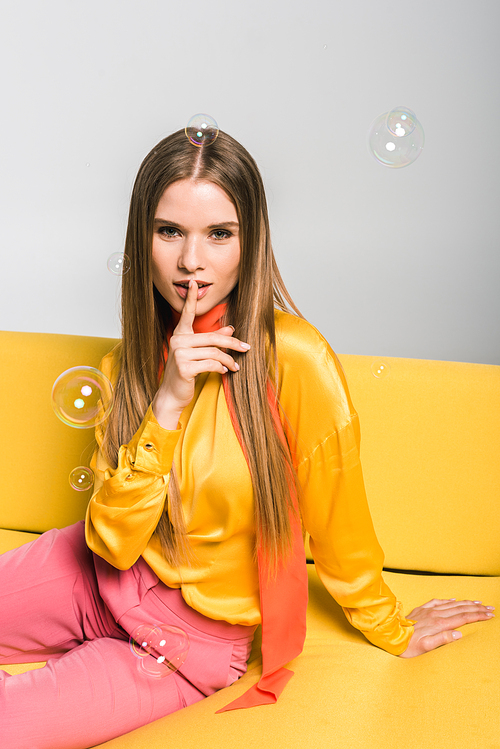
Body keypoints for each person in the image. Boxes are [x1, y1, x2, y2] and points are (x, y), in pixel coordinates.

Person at [0, 127, 494, 748]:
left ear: (250, 241)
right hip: (89, 577)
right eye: (169, 230)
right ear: (142, 238)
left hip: (185, 645)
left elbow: (336, 507)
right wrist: (168, 403)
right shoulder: (123, 369)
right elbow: (113, 540)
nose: (191, 261)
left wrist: (390, 624)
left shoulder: (295, 358)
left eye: (219, 234)